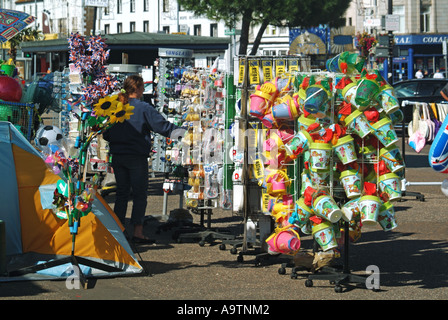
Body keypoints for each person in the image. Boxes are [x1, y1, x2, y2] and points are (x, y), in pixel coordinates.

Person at [103, 75, 182, 243]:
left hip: (118, 155)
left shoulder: (115, 106)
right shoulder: (143, 108)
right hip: (136, 156)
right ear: (138, 89)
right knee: (139, 194)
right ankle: (137, 231)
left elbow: (106, 132)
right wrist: (185, 133)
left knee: (122, 194)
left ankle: (118, 231)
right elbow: (163, 127)